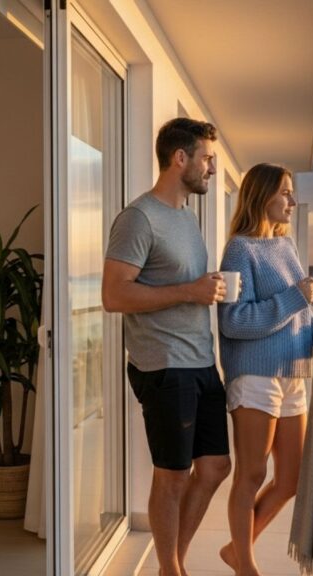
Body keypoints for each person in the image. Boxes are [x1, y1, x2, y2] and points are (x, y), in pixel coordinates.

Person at [102, 117, 232, 576]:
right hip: (163, 364)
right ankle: (171, 568)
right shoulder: (138, 218)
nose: (211, 169)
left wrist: (203, 290)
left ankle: (168, 564)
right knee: (173, 473)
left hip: (200, 359)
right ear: (181, 158)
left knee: (215, 467)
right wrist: (188, 292)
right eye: (207, 159)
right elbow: (114, 295)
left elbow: (187, 284)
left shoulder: (185, 218)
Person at [216, 163, 313, 576]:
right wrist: (294, 299)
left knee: (290, 479)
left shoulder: (286, 247)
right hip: (255, 374)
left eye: (292, 193)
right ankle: (246, 565)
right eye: (285, 193)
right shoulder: (240, 248)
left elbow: (305, 311)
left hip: (295, 373)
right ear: (262, 196)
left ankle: (236, 550)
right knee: (252, 474)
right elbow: (233, 321)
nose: (292, 201)